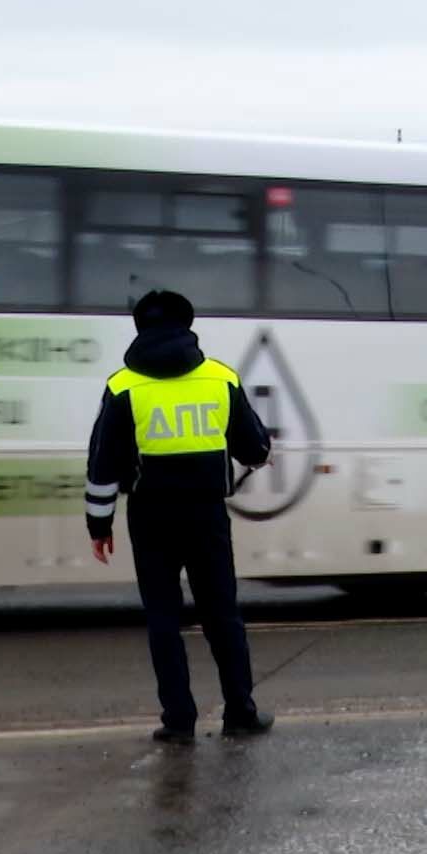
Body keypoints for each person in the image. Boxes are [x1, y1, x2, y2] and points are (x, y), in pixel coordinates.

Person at [85, 290, 274, 744]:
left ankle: (178, 720)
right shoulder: (220, 378)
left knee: (163, 619)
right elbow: (255, 448)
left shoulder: (122, 386)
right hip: (207, 516)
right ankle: (241, 712)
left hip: (150, 519)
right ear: (188, 326)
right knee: (222, 614)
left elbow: (102, 465)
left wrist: (99, 524)